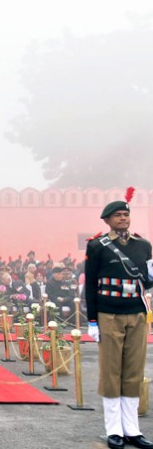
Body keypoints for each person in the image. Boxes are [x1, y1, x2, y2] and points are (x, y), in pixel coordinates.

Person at [85, 191, 153, 449]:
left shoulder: (143, 245)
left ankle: (132, 429)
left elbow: (145, 283)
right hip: (109, 314)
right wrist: (92, 320)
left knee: (134, 371)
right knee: (112, 372)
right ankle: (114, 429)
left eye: (126, 214)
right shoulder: (96, 246)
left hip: (136, 313)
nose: (123, 218)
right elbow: (90, 286)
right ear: (107, 220)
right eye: (118, 215)